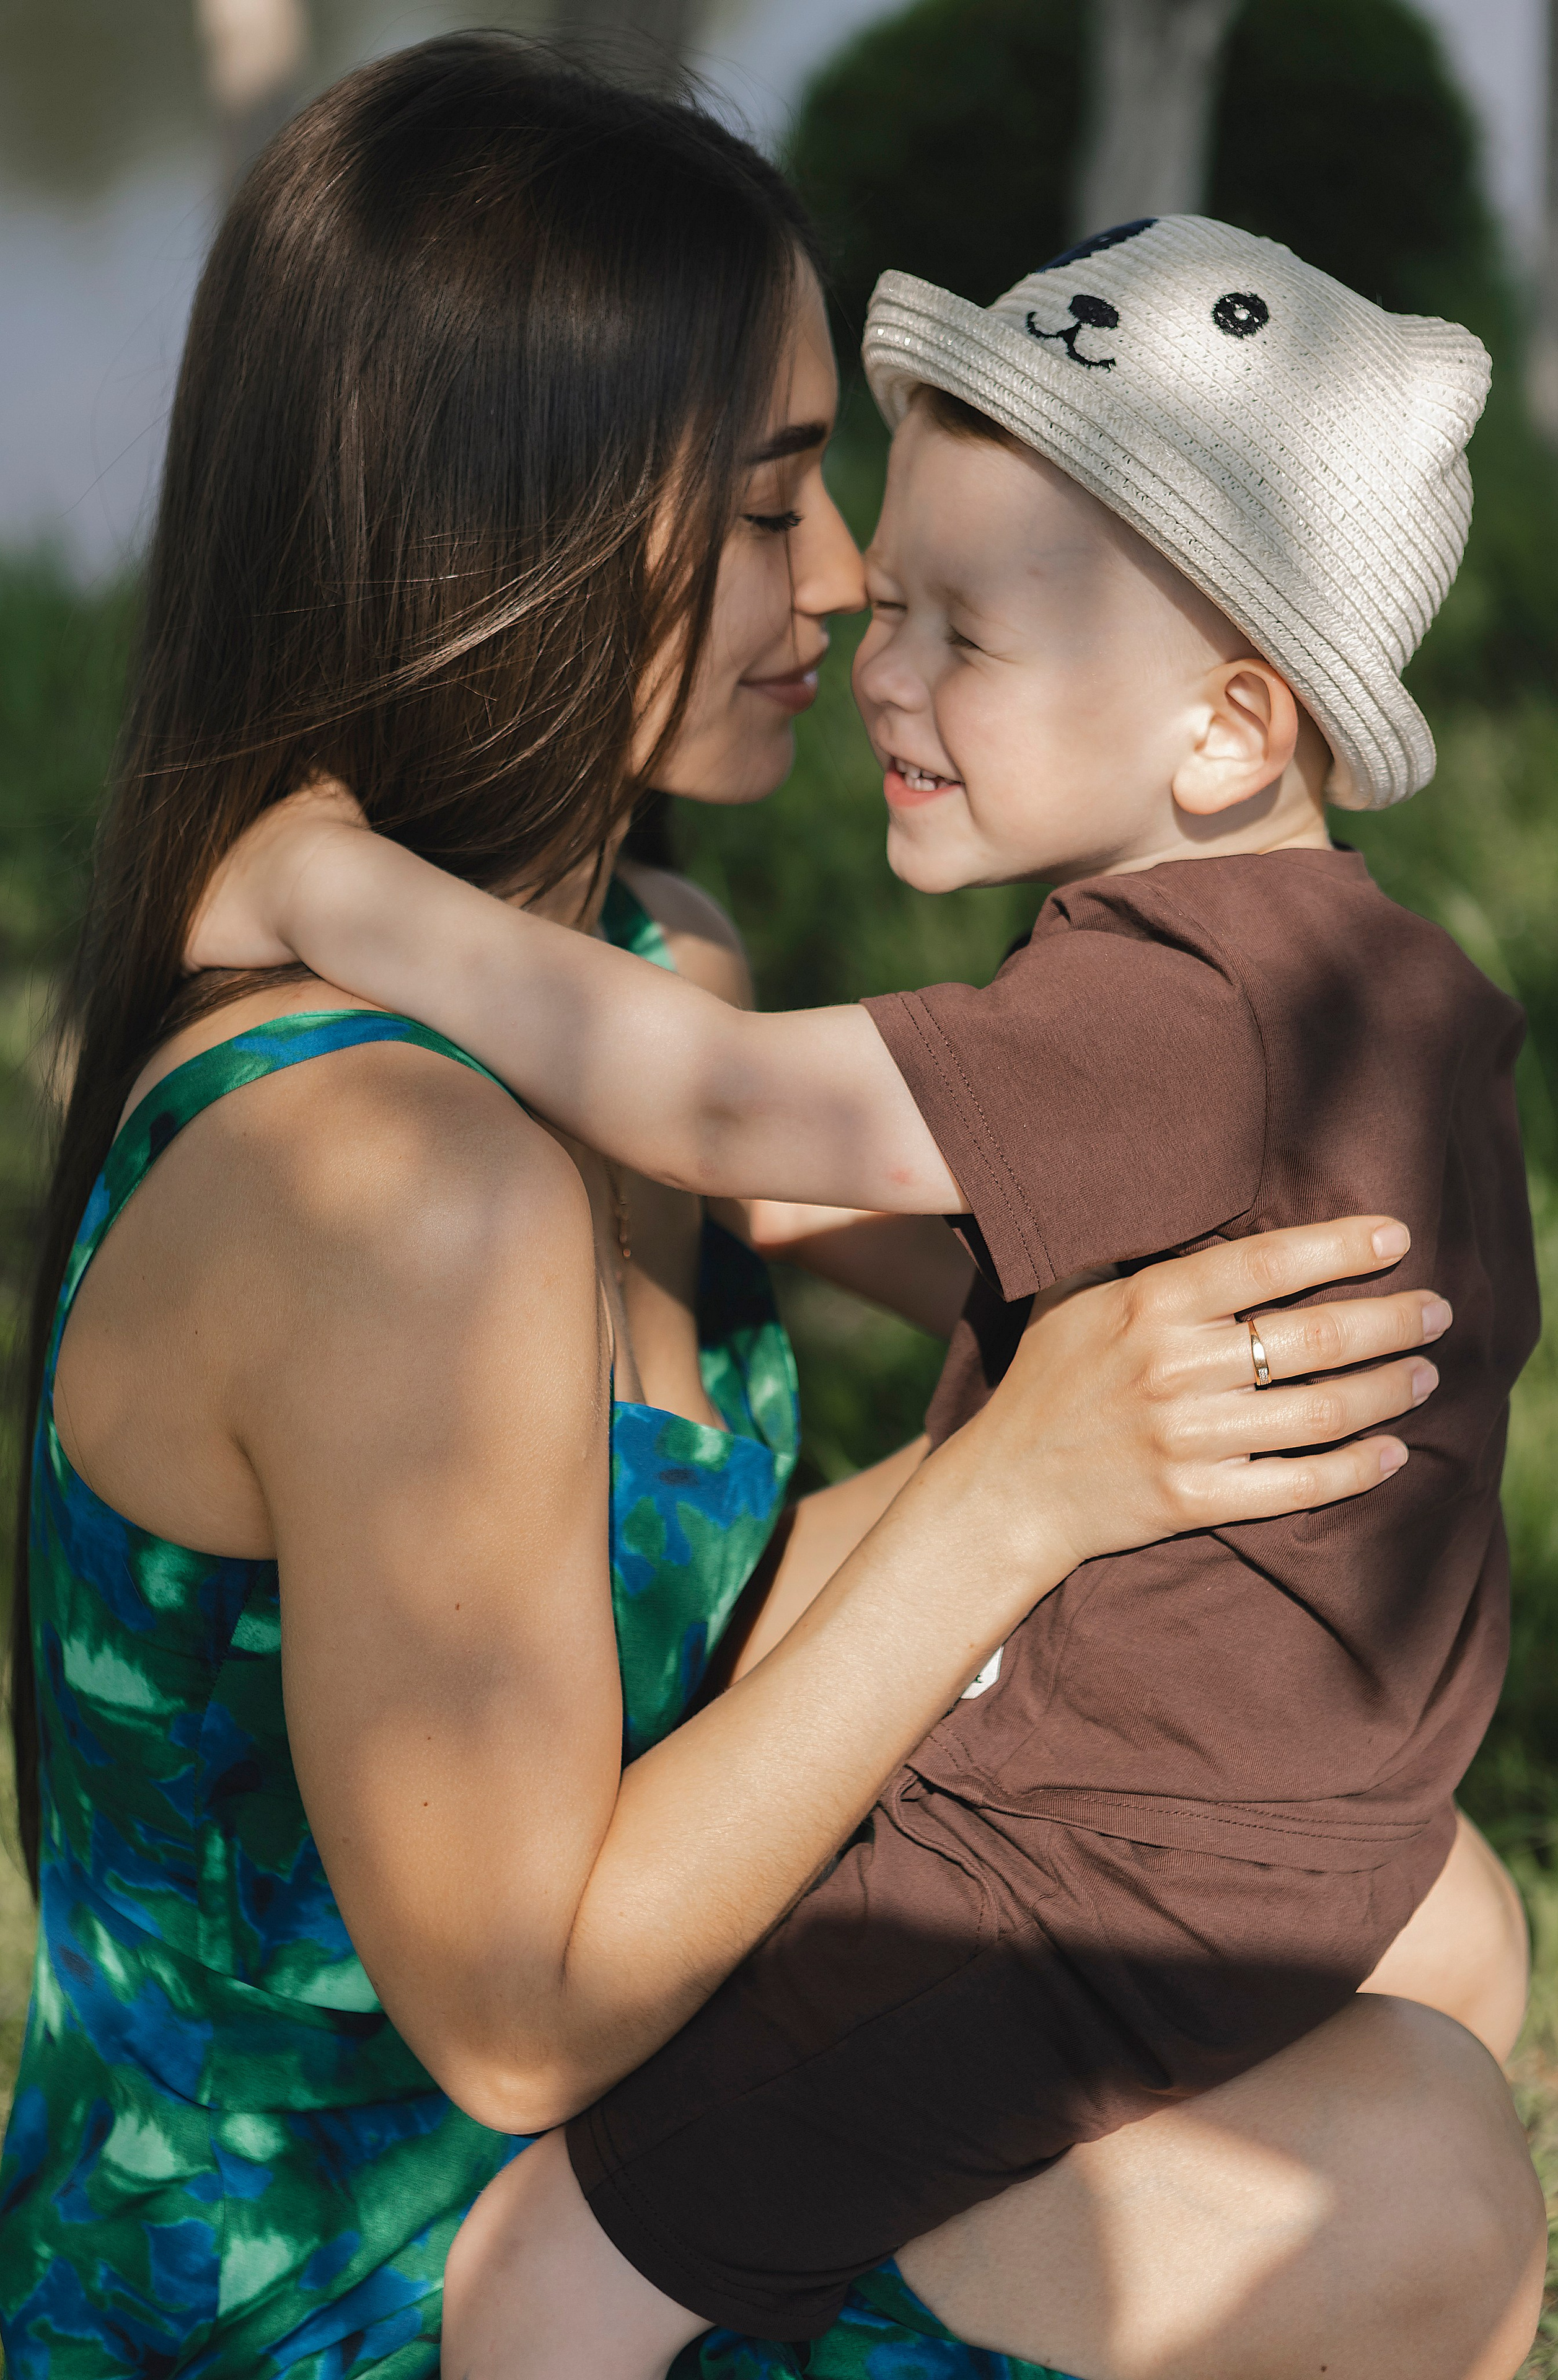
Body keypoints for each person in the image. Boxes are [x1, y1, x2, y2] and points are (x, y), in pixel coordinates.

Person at [189, 218, 1546, 2379]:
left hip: (1081, 1860)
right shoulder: (1371, 980)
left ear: (1225, 725)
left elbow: (719, 1098)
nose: (879, 663)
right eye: (883, 594)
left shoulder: (1163, 1004)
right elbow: (1103, 1274)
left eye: (965, 633)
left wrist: (319, 883)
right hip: (1310, 1836)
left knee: (545, 2274)